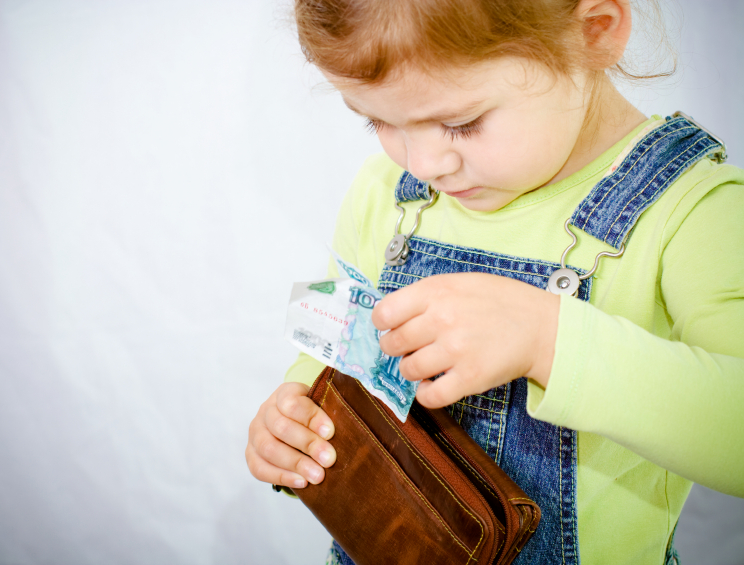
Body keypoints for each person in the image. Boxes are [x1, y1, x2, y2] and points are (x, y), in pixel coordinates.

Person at [245, 0, 744, 563]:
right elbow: (340, 347)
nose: (423, 163)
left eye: (461, 124)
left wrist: (546, 341)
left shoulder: (691, 213)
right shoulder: (388, 193)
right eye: (378, 121)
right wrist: (299, 414)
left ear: (594, 33)